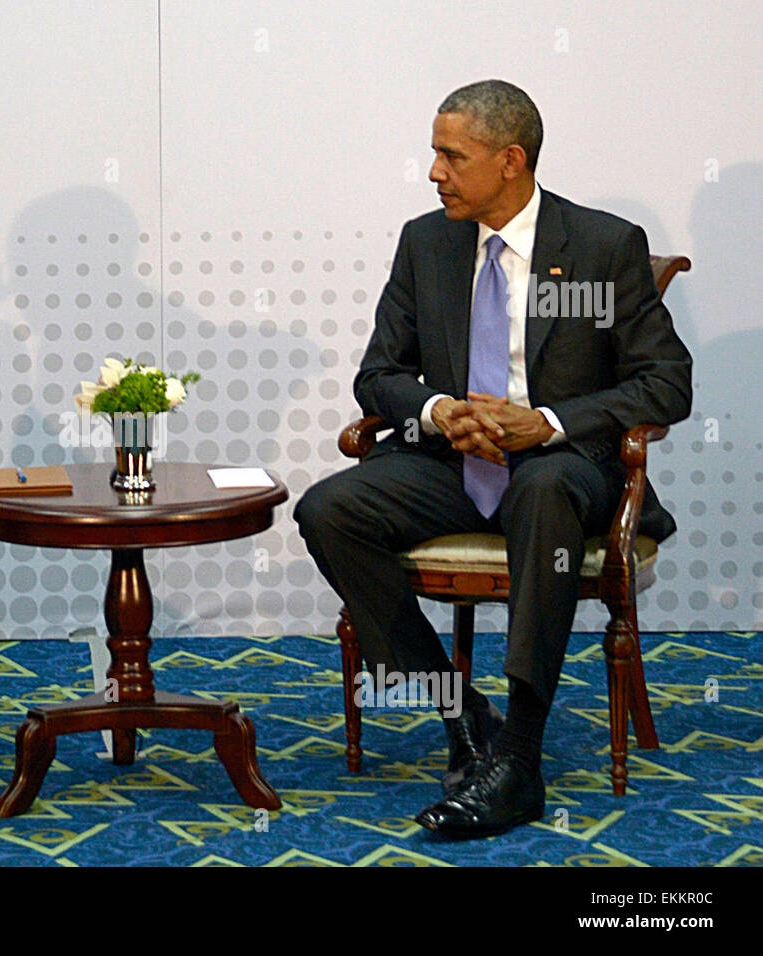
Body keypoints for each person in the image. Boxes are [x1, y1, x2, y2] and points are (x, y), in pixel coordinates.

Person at [294, 80, 692, 838]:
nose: (434, 172)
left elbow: (664, 384)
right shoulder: (427, 242)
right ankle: (460, 711)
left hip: (564, 466)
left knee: (543, 491)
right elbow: (378, 374)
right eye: (434, 153)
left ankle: (518, 754)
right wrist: (441, 412)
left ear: (510, 161)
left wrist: (542, 424)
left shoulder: (604, 247)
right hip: (452, 462)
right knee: (329, 508)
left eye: (452, 156)